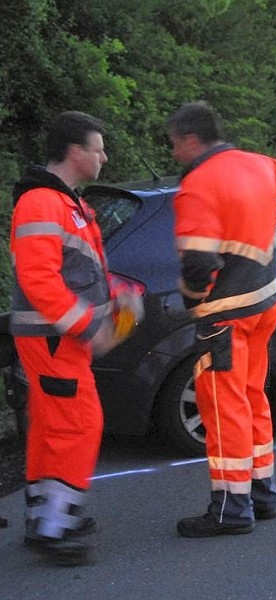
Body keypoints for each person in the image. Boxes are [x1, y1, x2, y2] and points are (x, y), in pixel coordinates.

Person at [166, 101, 276, 538]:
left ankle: (230, 508)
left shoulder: (198, 185)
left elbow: (199, 265)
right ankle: (263, 494)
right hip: (264, 305)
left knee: (224, 409)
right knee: (251, 397)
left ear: (190, 139)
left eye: (173, 145)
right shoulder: (262, 166)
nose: (173, 155)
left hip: (225, 316)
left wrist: (193, 301)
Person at [10, 111, 143, 566]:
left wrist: (119, 301)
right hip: (55, 338)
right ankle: (55, 526)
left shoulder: (64, 203)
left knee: (53, 427)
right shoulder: (45, 204)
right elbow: (40, 281)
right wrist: (91, 327)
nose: (104, 156)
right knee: (79, 425)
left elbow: (79, 273)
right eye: (98, 147)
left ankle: (44, 515)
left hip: (58, 338)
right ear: (74, 151)